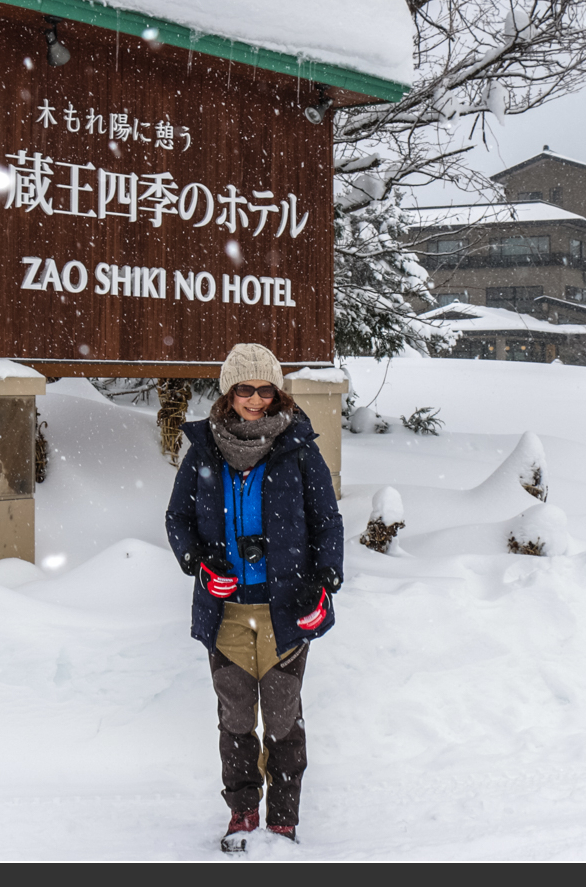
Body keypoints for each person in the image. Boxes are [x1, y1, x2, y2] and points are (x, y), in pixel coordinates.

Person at [165, 342, 344, 851]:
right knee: (236, 719)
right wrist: (198, 561)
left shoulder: (298, 449)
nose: (256, 399)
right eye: (246, 389)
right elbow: (177, 519)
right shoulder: (204, 450)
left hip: (285, 611)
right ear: (229, 392)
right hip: (225, 611)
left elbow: (327, 522)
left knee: (284, 719)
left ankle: (283, 821)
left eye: (266, 389)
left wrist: (324, 576)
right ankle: (243, 813)